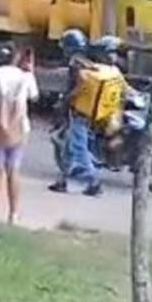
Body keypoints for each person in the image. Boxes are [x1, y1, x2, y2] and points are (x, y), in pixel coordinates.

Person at [0, 43, 38, 224]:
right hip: (20, 128)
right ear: (15, 57)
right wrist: (31, 70)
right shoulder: (25, 76)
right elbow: (34, 97)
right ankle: (13, 214)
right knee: (14, 170)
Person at [48, 29, 104, 197]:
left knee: (78, 148)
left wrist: (67, 99)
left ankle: (94, 182)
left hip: (79, 112)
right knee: (67, 148)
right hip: (85, 112)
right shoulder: (88, 61)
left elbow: (80, 85)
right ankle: (62, 181)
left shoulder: (76, 63)